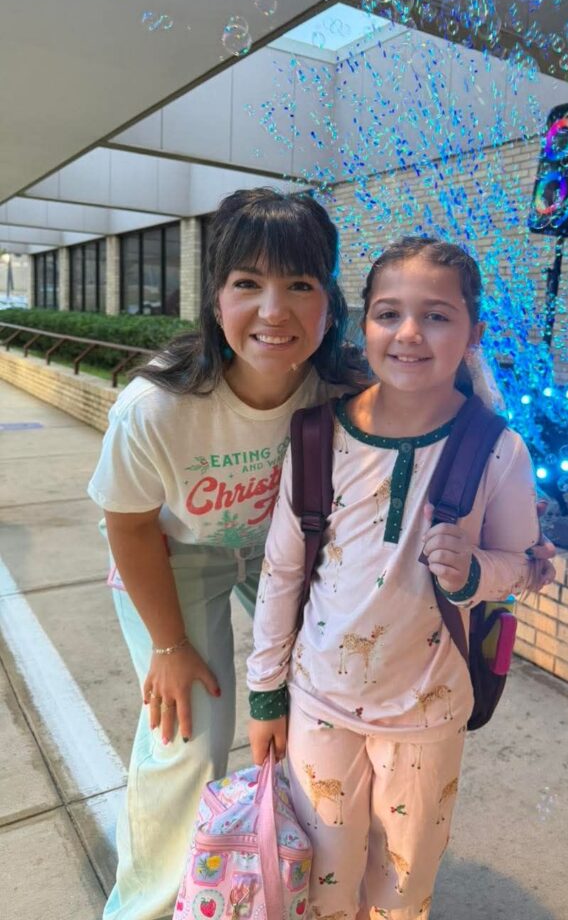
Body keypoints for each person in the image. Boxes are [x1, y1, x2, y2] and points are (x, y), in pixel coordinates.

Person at [247, 236, 553, 920]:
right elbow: (283, 572)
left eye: (436, 316)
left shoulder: (496, 448)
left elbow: (524, 566)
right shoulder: (316, 436)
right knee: (319, 883)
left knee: (402, 886)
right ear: (364, 325)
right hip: (319, 703)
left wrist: (474, 573)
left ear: (473, 334)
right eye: (389, 313)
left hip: (428, 714)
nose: (409, 333)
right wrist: (265, 694)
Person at [87, 188, 367, 920]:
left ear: (330, 301)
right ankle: (143, 908)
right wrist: (169, 646)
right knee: (187, 737)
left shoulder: (342, 389)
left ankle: (293, 885)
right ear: (215, 298)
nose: (274, 311)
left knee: (315, 715)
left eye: (299, 284)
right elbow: (128, 526)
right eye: (248, 283)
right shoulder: (156, 406)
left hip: (280, 555)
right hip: (173, 557)